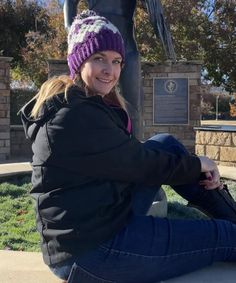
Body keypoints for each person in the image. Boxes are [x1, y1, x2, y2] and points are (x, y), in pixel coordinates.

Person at [20, 10, 236, 283]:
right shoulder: (74, 116)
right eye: (99, 59)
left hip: (101, 218)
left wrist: (195, 168)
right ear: (78, 61)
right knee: (224, 236)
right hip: (92, 252)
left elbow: (133, 159)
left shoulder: (86, 104)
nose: (110, 70)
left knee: (165, 144)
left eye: (116, 60)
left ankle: (232, 216)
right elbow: (140, 164)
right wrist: (198, 165)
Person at [63, 0, 175, 137]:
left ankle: (135, 147)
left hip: (127, 48)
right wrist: (70, 30)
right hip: (97, 42)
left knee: (133, 106)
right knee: (88, 98)